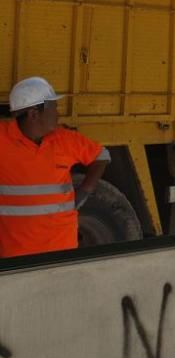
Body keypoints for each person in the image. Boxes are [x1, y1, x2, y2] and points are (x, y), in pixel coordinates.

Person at [0, 77, 110, 257]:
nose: (57, 113)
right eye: (53, 107)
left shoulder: (65, 139)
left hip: (61, 253)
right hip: (16, 257)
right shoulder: (3, 140)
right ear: (34, 113)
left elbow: (101, 156)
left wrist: (85, 190)